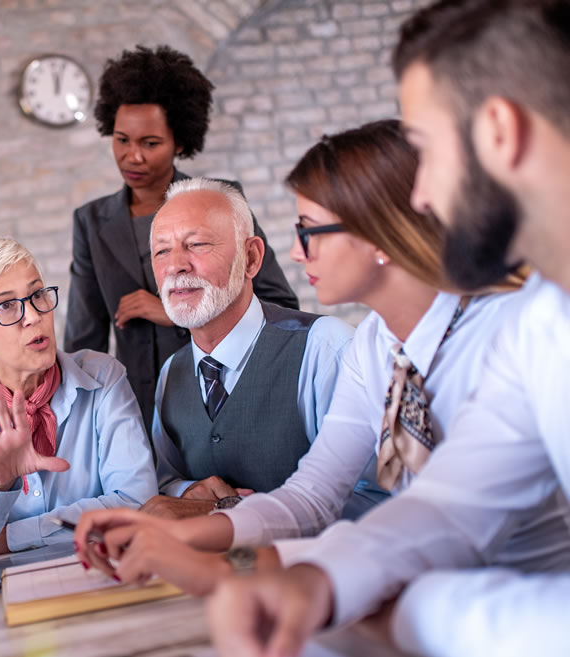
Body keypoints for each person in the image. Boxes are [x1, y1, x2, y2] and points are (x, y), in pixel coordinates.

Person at [204, 2, 570, 656]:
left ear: (499, 132)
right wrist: (319, 582)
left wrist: (408, 609)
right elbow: (453, 501)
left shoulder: (509, 323)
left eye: (426, 151)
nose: (421, 196)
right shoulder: (543, 320)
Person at [74, 121, 570, 601]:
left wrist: (234, 564)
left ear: (378, 233)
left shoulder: (516, 329)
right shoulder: (377, 345)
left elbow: (428, 519)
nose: (293, 251)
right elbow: (316, 496)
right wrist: (191, 544)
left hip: (519, 599)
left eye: (309, 229)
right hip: (427, 590)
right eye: (161, 252)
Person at [65, 45, 298, 433]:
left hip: (229, 395)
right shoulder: (91, 222)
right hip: (138, 414)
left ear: (181, 143)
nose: (132, 156)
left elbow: (281, 305)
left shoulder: (221, 202)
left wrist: (168, 310)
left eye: (150, 143)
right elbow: (83, 343)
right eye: (122, 140)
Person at [0, 237, 158, 565]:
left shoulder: (104, 377)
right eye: (6, 306)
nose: (32, 315)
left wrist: (9, 537)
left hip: (106, 571)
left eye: (37, 294)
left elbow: (139, 503)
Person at [134, 176, 358, 521]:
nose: (175, 265)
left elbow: (375, 495)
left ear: (251, 258)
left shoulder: (325, 348)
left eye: (196, 244)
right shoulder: (171, 376)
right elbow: (168, 481)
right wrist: (185, 493)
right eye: (162, 251)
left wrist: (238, 513)